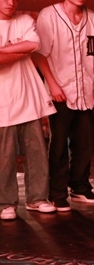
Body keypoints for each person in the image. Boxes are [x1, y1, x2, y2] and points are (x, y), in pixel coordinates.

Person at [33, 0, 94, 211]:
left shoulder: (92, 18)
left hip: (85, 90)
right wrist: (52, 84)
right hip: (61, 91)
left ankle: (80, 187)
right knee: (58, 144)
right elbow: (39, 54)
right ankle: (57, 193)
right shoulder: (49, 15)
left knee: (85, 142)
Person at [0, 0, 58, 221]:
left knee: (37, 152)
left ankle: (37, 198)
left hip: (29, 98)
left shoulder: (24, 20)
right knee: (5, 157)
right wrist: (20, 49)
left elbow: (33, 44)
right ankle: (5, 203)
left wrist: (6, 50)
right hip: (3, 102)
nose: (10, 3)